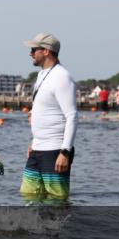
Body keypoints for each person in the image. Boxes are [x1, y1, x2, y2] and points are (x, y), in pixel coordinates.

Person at [20, 33, 78, 203]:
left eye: (33, 49)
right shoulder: (42, 75)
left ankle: (58, 231)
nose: (30, 53)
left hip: (55, 150)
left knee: (56, 200)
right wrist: (35, 142)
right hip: (38, 148)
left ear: (45, 51)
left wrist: (65, 152)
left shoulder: (62, 77)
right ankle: (33, 230)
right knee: (28, 195)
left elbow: (72, 116)